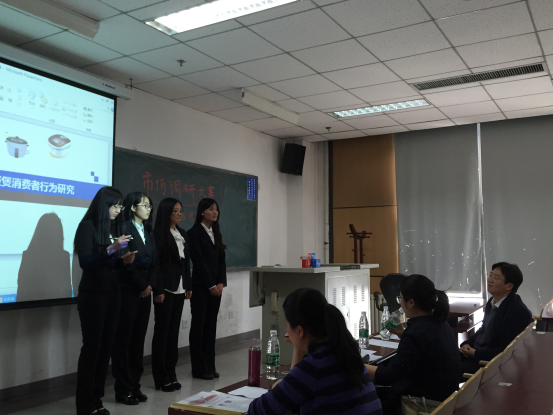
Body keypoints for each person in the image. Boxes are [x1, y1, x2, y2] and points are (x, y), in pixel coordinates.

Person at [248, 288, 383, 415]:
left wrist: (277, 387)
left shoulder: (313, 366)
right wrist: (298, 345)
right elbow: (297, 394)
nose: (286, 331)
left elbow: (259, 410)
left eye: (286, 325)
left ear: (299, 331)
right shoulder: (345, 352)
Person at [74, 186, 135, 415]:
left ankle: (96, 399)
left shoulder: (110, 228)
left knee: (106, 347)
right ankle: (84, 404)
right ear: (103, 205)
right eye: (115, 205)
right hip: (93, 295)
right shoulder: (87, 227)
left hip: (113, 293)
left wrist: (122, 260)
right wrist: (111, 250)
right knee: (93, 348)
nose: (119, 210)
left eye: (120, 206)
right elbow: (86, 262)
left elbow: (108, 264)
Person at [365, 274, 460, 415]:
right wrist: (401, 333)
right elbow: (423, 349)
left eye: (400, 298)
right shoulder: (440, 324)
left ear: (411, 302)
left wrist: (358, 365)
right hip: (444, 398)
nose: (400, 302)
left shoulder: (416, 332)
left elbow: (388, 376)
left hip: (424, 404)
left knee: (368, 395)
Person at [112, 192, 159, 405]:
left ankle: (135, 385)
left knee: (138, 341)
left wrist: (149, 286)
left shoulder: (148, 230)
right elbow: (125, 263)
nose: (149, 209)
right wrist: (142, 286)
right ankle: (123, 388)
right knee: (124, 340)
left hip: (145, 291)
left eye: (150, 206)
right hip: (128, 291)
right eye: (145, 205)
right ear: (133, 207)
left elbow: (154, 261)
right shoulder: (122, 229)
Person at [459, 262, 533, 377]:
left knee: (445, 371)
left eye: (496, 278)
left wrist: (475, 353)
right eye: (490, 275)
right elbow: (483, 329)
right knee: (442, 359)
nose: (490, 280)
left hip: (489, 362)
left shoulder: (518, 311)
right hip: (477, 353)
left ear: (509, 286)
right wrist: (466, 344)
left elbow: (507, 350)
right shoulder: (492, 301)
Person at [151, 198, 192, 392]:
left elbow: (185, 263)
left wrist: (188, 285)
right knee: (162, 333)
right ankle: (160, 377)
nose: (179, 214)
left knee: (174, 333)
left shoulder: (182, 233)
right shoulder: (158, 234)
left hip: (180, 288)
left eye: (180, 211)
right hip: (165, 289)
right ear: (166, 213)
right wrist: (158, 289)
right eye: (176, 211)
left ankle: (171, 373)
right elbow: (156, 265)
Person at [187, 198, 227, 380]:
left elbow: (221, 261)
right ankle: (199, 368)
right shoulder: (193, 233)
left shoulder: (215, 232)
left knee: (211, 327)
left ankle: (210, 366)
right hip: (201, 287)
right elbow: (198, 261)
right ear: (202, 211)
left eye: (216, 209)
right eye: (211, 209)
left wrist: (221, 283)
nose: (215, 212)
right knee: (199, 326)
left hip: (216, 288)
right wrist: (211, 284)